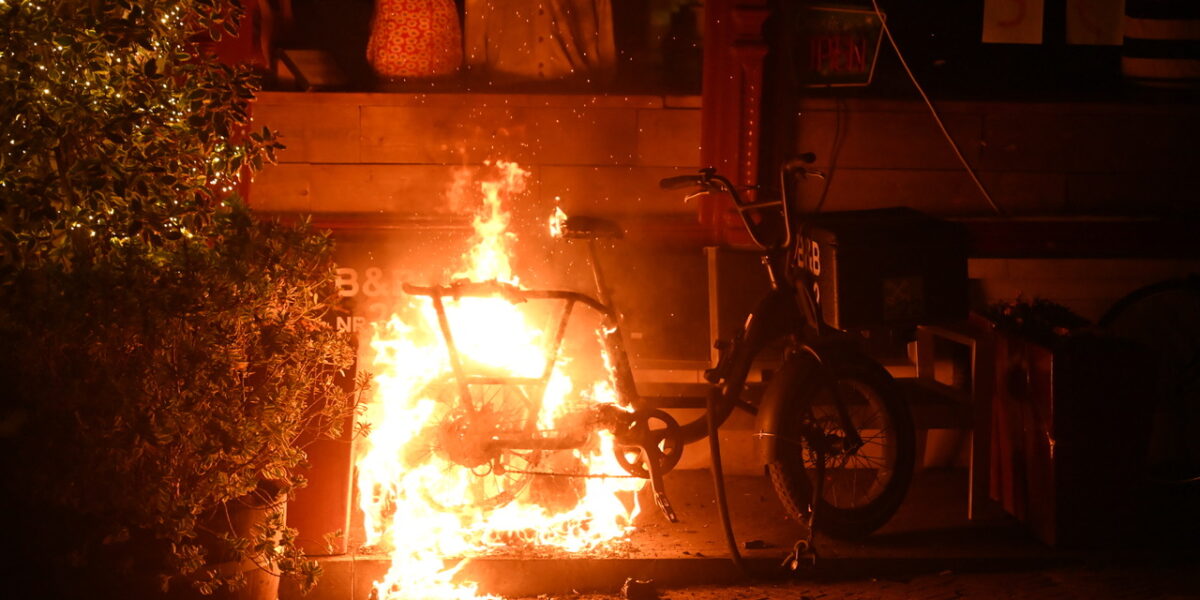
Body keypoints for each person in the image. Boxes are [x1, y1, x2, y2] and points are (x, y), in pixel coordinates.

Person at [464, 0, 616, 84]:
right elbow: (476, 8)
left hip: (574, 87)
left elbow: (603, 11)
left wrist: (607, 68)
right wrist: (475, 66)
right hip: (506, 87)